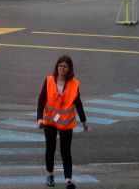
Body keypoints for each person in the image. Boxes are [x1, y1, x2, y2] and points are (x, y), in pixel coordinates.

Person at [37, 55, 89, 189]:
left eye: (65, 66)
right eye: (60, 66)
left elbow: (78, 102)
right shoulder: (49, 80)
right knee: (50, 148)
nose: (62, 68)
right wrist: (39, 118)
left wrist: (84, 120)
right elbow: (41, 100)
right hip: (49, 121)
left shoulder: (74, 83)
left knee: (66, 151)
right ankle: (50, 174)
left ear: (69, 68)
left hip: (66, 122)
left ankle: (68, 180)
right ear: (57, 67)